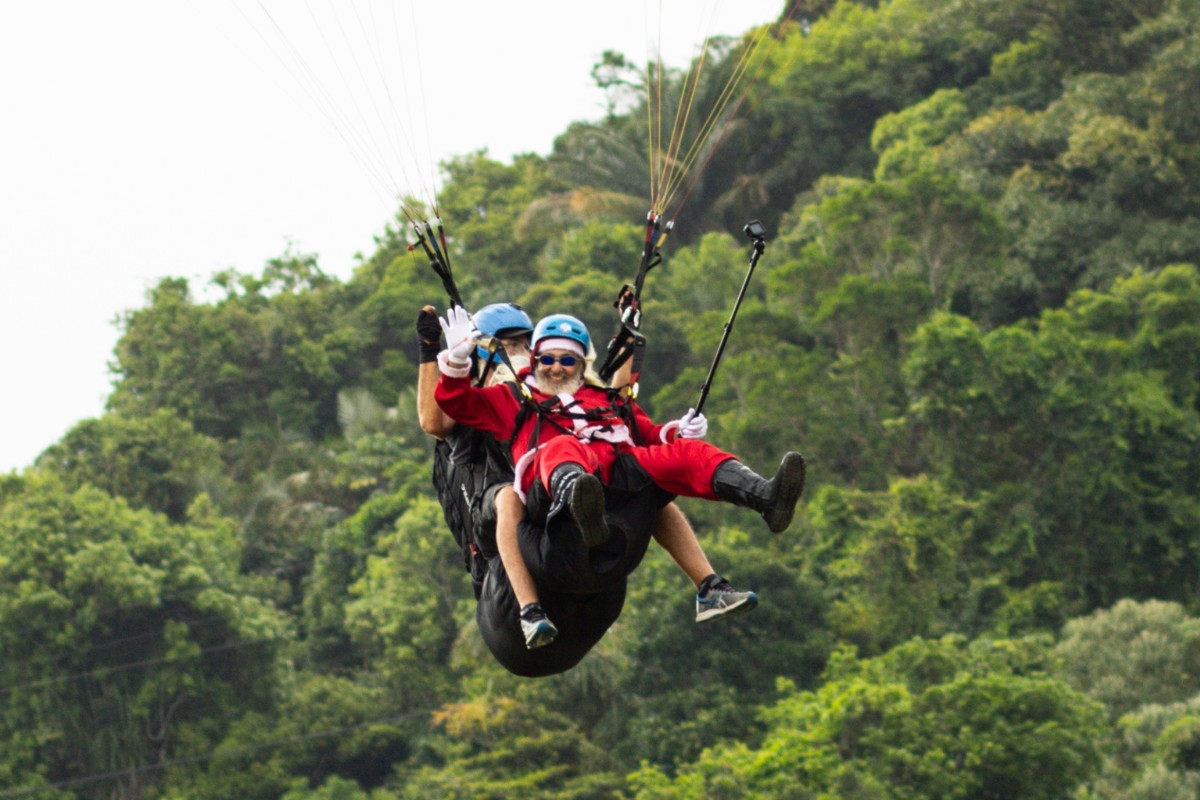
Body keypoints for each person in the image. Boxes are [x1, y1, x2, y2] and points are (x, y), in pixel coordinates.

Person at [418, 303, 760, 653]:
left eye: (523, 346)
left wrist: (631, 345)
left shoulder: (547, 397)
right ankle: (529, 608)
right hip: (504, 582)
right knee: (508, 497)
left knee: (640, 482)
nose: (519, 356)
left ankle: (709, 585)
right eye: (508, 348)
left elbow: (613, 416)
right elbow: (434, 421)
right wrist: (434, 351)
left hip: (568, 540)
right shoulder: (485, 402)